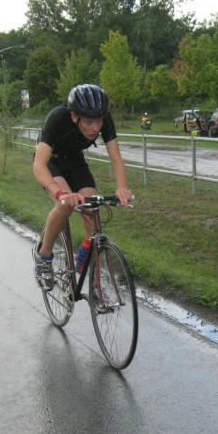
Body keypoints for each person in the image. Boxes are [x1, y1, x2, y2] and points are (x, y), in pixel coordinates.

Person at [32, 84, 132, 290]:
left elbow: (116, 159)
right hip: (52, 161)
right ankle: (44, 255)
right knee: (65, 205)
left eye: (99, 121)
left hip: (75, 161)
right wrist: (59, 192)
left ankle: (96, 287)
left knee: (92, 210)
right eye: (88, 122)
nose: (95, 128)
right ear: (74, 116)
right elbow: (39, 164)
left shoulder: (104, 119)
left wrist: (122, 187)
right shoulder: (57, 118)